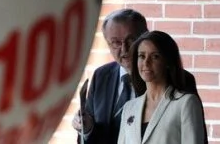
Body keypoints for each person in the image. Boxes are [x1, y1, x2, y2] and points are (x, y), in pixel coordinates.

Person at [72, 9, 206, 144]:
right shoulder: (100, 77)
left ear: (144, 37)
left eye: (131, 40)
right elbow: (88, 136)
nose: (124, 49)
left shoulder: (182, 83)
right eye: (116, 43)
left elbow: (196, 135)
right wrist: (87, 128)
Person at [117, 30, 206, 143]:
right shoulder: (129, 108)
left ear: (168, 62)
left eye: (155, 56)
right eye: (142, 56)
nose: (146, 62)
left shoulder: (186, 103)